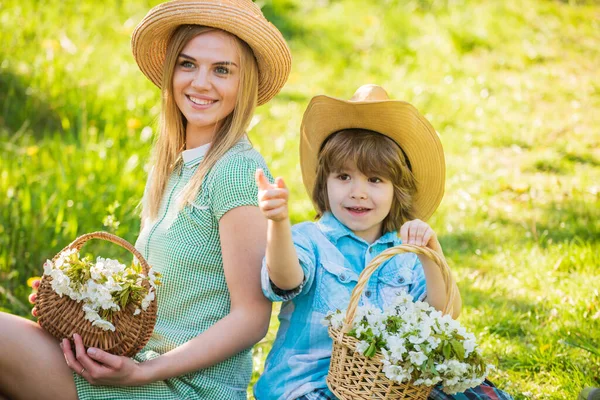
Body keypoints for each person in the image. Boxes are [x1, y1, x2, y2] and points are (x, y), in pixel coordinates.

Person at [0, 0, 291, 399]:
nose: (201, 82)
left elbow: (251, 319)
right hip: (139, 365)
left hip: (182, 387)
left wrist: (144, 373)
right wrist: (79, 305)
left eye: (222, 70)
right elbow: (164, 306)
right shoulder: (177, 167)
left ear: (246, 84)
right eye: (188, 64)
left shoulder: (236, 171)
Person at [253, 84, 513, 400]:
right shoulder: (311, 240)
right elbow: (285, 279)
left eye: (375, 180)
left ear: (396, 190)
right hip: (309, 387)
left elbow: (445, 313)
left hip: (385, 386)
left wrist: (431, 253)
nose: (358, 191)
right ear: (325, 183)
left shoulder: (401, 253)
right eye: (344, 177)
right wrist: (278, 223)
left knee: (475, 394)